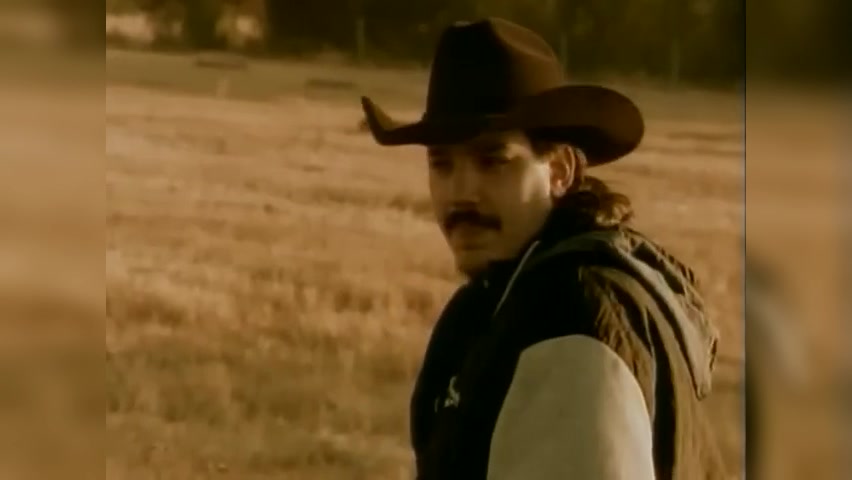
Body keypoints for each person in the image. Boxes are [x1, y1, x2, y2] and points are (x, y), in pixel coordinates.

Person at [360, 17, 728, 480]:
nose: (460, 193)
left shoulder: (572, 316)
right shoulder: (497, 301)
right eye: (442, 164)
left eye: (492, 161)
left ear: (559, 171)